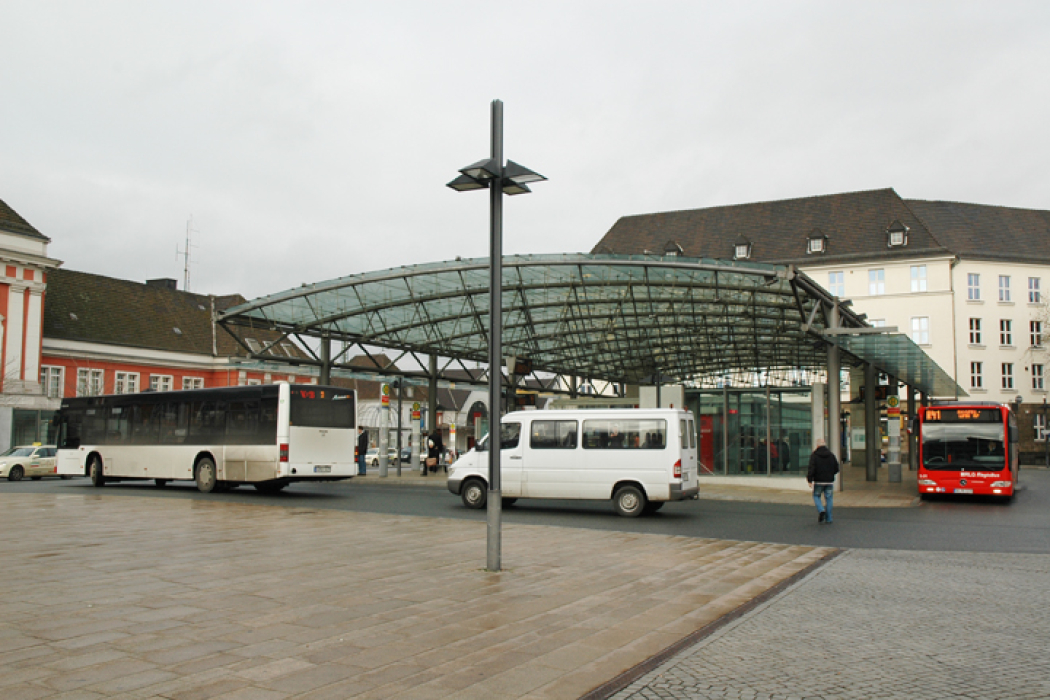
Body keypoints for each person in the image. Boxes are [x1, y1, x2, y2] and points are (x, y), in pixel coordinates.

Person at [807, 438, 839, 523]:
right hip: (829, 481)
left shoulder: (814, 455)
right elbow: (836, 468)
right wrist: (831, 474)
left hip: (818, 481)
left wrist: (810, 480)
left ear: (817, 445)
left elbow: (811, 468)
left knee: (816, 496)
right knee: (829, 498)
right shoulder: (831, 455)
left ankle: (821, 510)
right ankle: (829, 518)